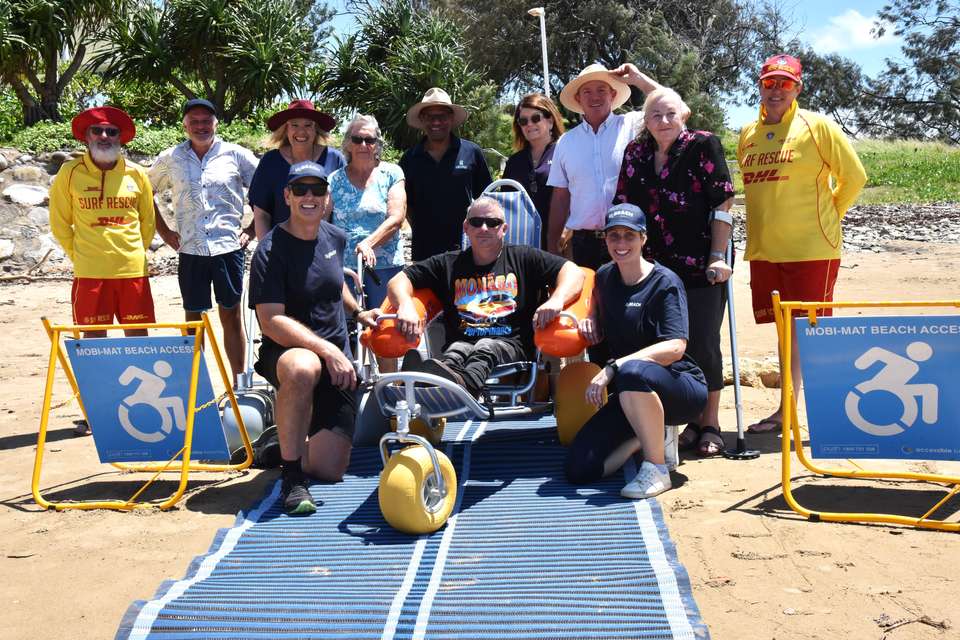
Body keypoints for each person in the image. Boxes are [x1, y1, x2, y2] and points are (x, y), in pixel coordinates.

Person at [737, 54, 866, 434]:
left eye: (785, 83)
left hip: (812, 251)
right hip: (765, 252)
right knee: (784, 334)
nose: (776, 90)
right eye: (769, 83)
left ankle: (830, 418)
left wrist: (829, 217)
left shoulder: (817, 126)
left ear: (798, 88)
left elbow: (854, 178)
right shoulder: (748, 134)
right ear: (760, 86)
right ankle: (786, 411)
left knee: (813, 334)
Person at [248, 161, 376, 515]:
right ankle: (291, 477)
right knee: (304, 368)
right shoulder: (270, 250)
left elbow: (335, 285)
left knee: (330, 470)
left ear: (327, 197)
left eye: (317, 190)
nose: (309, 197)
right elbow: (271, 321)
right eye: (300, 190)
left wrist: (358, 313)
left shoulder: (334, 236)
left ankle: (280, 444)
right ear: (286, 196)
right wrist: (327, 350)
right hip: (290, 353)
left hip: (336, 360)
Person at [614, 87, 735, 456]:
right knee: (662, 344)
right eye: (655, 115)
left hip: (701, 262)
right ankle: (682, 421)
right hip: (653, 268)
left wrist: (717, 254)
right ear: (645, 121)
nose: (663, 122)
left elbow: (723, 201)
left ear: (684, 115)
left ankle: (709, 422)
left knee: (703, 342)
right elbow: (624, 204)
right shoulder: (636, 152)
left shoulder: (703, 145)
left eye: (670, 114)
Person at [565, 204, 707, 499]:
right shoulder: (605, 277)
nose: (620, 243)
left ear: (644, 239)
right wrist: (591, 318)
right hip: (632, 392)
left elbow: (676, 347)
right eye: (613, 235)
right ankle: (648, 437)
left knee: (630, 371)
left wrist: (613, 368)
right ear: (604, 239)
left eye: (629, 236)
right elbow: (593, 304)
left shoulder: (664, 283)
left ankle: (657, 469)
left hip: (680, 388)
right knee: (579, 469)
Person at [386, 196, 584, 397]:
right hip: (461, 343)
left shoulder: (524, 257)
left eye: (492, 223)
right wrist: (405, 305)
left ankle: (462, 388)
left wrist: (557, 299)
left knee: (485, 347)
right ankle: (433, 382)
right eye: (476, 222)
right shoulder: (448, 263)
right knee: (457, 350)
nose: (483, 228)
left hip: (510, 344)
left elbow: (574, 272)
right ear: (466, 227)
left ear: (504, 229)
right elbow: (398, 281)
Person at [148, 99, 259, 382]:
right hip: (191, 249)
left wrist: (251, 230)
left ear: (216, 124)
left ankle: (239, 384)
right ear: (185, 125)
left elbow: (266, 193)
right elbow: (144, 193)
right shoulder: (170, 158)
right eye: (194, 121)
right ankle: (197, 385)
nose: (201, 126)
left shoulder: (236, 155)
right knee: (193, 319)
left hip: (229, 248)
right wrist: (164, 231)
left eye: (206, 121)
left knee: (231, 317)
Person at [546, 63, 661, 269]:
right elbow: (561, 197)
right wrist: (552, 248)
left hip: (630, 238)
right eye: (587, 91)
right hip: (583, 243)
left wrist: (639, 79)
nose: (595, 97)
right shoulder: (566, 142)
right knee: (589, 300)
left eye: (601, 90)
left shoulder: (633, 126)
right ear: (578, 99)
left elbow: (670, 107)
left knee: (632, 300)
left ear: (613, 94)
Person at [400, 88, 492, 261]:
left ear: (451, 118)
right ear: (421, 119)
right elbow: (406, 206)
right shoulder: (409, 159)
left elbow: (487, 199)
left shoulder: (472, 152)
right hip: (424, 251)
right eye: (429, 116)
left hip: (467, 249)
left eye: (442, 116)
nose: (436, 122)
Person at [328, 114, 406, 309]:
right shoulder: (334, 180)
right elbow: (322, 222)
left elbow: (397, 218)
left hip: (386, 268)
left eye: (369, 140)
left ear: (377, 144)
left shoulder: (392, 174)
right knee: (349, 329)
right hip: (345, 270)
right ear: (348, 144)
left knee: (385, 328)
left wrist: (367, 244)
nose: (363, 145)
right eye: (357, 139)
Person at [248, 100, 344, 239]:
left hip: (324, 247)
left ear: (315, 128)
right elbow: (261, 214)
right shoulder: (271, 161)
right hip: (280, 247)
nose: (301, 131)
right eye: (294, 125)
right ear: (286, 129)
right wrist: (266, 251)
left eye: (307, 125)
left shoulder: (334, 159)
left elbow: (344, 207)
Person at [502, 93, 565, 248]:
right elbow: (506, 206)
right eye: (523, 121)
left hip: (559, 243)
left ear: (550, 121)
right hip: (523, 244)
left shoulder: (566, 153)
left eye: (536, 118)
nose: (529, 124)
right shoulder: (514, 162)